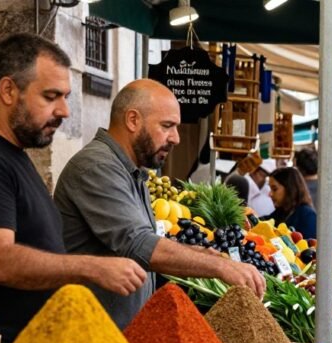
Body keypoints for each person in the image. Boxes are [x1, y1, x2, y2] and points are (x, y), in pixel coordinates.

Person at [0, 33, 147, 343]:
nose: (65, 111)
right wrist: (90, 267)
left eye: (66, 96)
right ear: (8, 90)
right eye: (51, 96)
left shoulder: (13, 155)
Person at [54, 79, 264, 329]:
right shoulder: (97, 167)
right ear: (133, 120)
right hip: (92, 335)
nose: (175, 138)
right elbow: (138, 243)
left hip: (117, 335)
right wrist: (219, 266)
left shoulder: (130, 170)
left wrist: (204, 254)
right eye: (167, 126)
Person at [265, 167, 318, 240]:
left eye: (274, 189)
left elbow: (309, 247)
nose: (270, 194)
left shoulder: (307, 215)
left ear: (289, 188)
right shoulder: (281, 212)